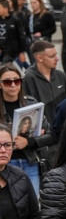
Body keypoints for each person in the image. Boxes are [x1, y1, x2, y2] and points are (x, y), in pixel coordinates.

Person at [1, 63, 49, 195]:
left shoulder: (31, 103)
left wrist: (29, 141)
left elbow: (49, 134)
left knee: (32, 201)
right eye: (7, 82)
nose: (12, 85)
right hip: (5, 163)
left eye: (17, 81)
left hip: (30, 161)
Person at [22, 40, 66, 149]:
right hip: (46, 139)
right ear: (39, 58)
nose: (57, 58)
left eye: (56, 55)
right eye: (52, 56)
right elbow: (30, 110)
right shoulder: (29, 79)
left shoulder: (61, 75)